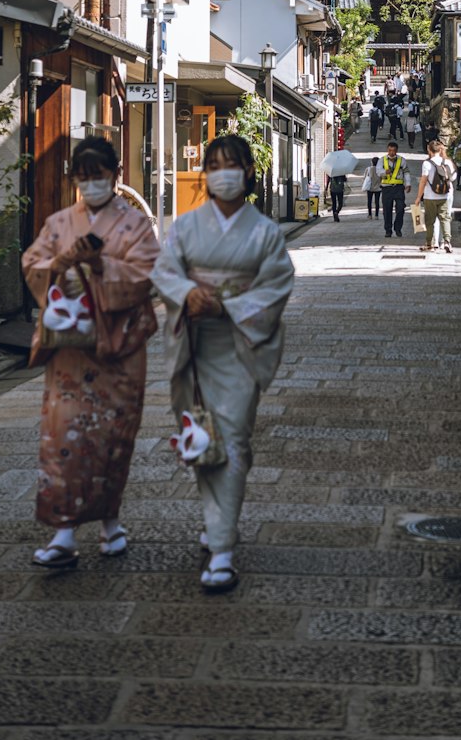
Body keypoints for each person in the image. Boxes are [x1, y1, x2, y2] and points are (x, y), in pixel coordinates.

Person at [151, 134, 294, 593]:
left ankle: (222, 548)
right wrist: (187, 293)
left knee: (231, 439)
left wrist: (227, 306)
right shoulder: (187, 227)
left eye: (231, 164)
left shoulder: (266, 233)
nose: (222, 173)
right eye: (213, 165)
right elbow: (164, 271)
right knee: (202, 436)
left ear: (249, 171)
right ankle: (217, 523)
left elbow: (276, 285)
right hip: (193, 344)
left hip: (239, 346)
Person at [23, 136, 159, 570]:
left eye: (98, 176)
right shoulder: (60, 221)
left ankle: (110, 523)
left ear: (114, 176)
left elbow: (147, 274)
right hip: (70, 352)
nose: (90, 184)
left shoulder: (136, 225)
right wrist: (62, 263)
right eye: (83, 177)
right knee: (62, 437)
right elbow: (34, 264)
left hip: (116, 349)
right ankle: (63, 531)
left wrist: (101, 268)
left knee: (112, 438)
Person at [416, 137, 456, 254]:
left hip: (430, 196)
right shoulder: (447, 162)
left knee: (430, 221)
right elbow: (453, 177)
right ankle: (447, 242)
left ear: (429, 150)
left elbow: (423, 181)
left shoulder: (427, 163)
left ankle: (430, 244)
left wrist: (419, 197)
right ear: (440, 150)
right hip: (444, 195)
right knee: (445, 218)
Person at [380, 141, 410, 237]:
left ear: (396, 151)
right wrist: (385, 172)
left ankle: (398, 228)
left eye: (393, 150)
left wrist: (408, 184)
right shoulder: (382, 160)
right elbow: (378, 171)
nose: (391, 152)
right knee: (387, 210)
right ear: (387, 150)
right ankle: (388, 230)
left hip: (398, 188)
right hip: (386, 189)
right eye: (390, 150)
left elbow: (406, 172)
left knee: (401, 208)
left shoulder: (402, 160)